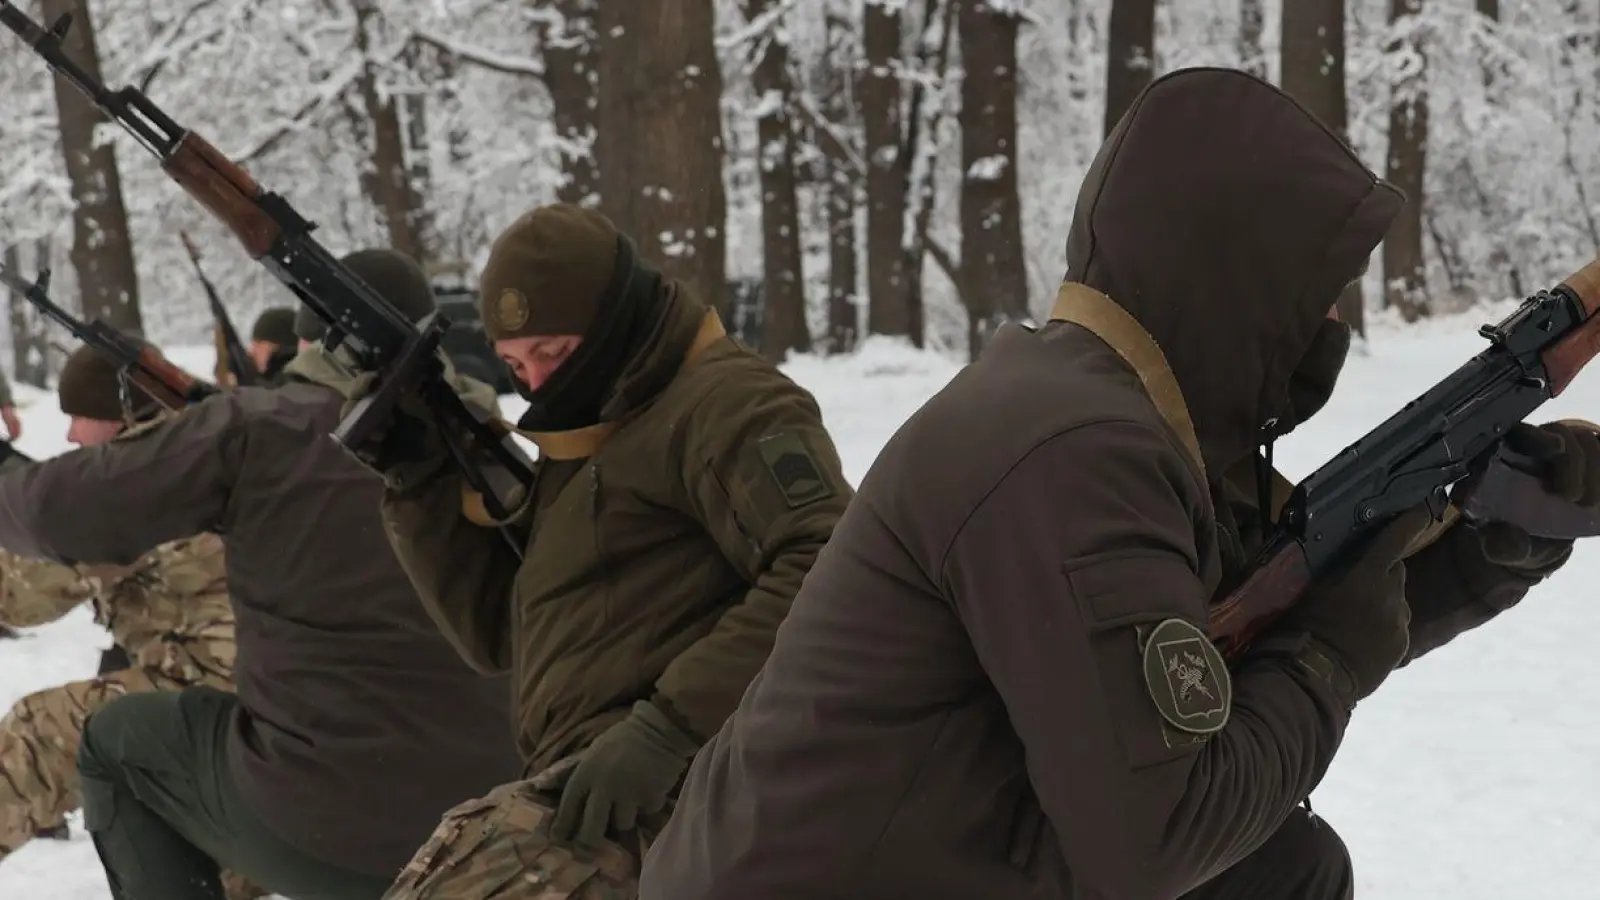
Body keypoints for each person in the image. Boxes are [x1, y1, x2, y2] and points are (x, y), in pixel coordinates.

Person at [638, 68, 1600, 900]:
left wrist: (1485, 548)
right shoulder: (1074, 455)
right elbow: (1159, 835)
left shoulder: (1102, 417)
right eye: (1319, 288)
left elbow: (1256, 632)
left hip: (915, 855)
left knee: (1282, 868)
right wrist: (1329, 661)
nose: (1336, 315)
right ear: (1237, 278)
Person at [347, 204, 851, 899]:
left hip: (699, 783)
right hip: (595, 782)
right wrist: (422, 484)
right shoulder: (590, 424)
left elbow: (828, 565)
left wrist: (668, 729)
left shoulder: (730, 403)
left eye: (552, 353)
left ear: (615, 316)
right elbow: (498, 633)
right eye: (516, 365)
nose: (536, 382)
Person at [0, 249, 521, 900]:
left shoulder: (262, 433)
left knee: (116, 743)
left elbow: (51, 518)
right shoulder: (498, 453)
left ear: (310, 342)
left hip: (329, 826)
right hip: (496, 829)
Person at [0, 344, 262, 899]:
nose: (70, 436)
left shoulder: (132, 489)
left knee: (39, 735)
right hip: (285, 698)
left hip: (218, 700)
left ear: (123, 418)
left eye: (80, 417)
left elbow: (18, 599)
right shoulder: (217, 449)